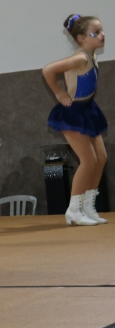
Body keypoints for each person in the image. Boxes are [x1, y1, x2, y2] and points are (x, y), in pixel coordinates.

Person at [43, 14, 108, 225]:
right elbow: (48, 70)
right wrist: (58, 91)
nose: (102, 35)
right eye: (96, 32)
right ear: (82, 38)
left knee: (101, 158)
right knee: (88, 161)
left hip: (88, 110)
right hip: (73, 112)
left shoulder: (92, 55)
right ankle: (73, 209)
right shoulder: (81, 58)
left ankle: (88, 206)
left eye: (101, 30)